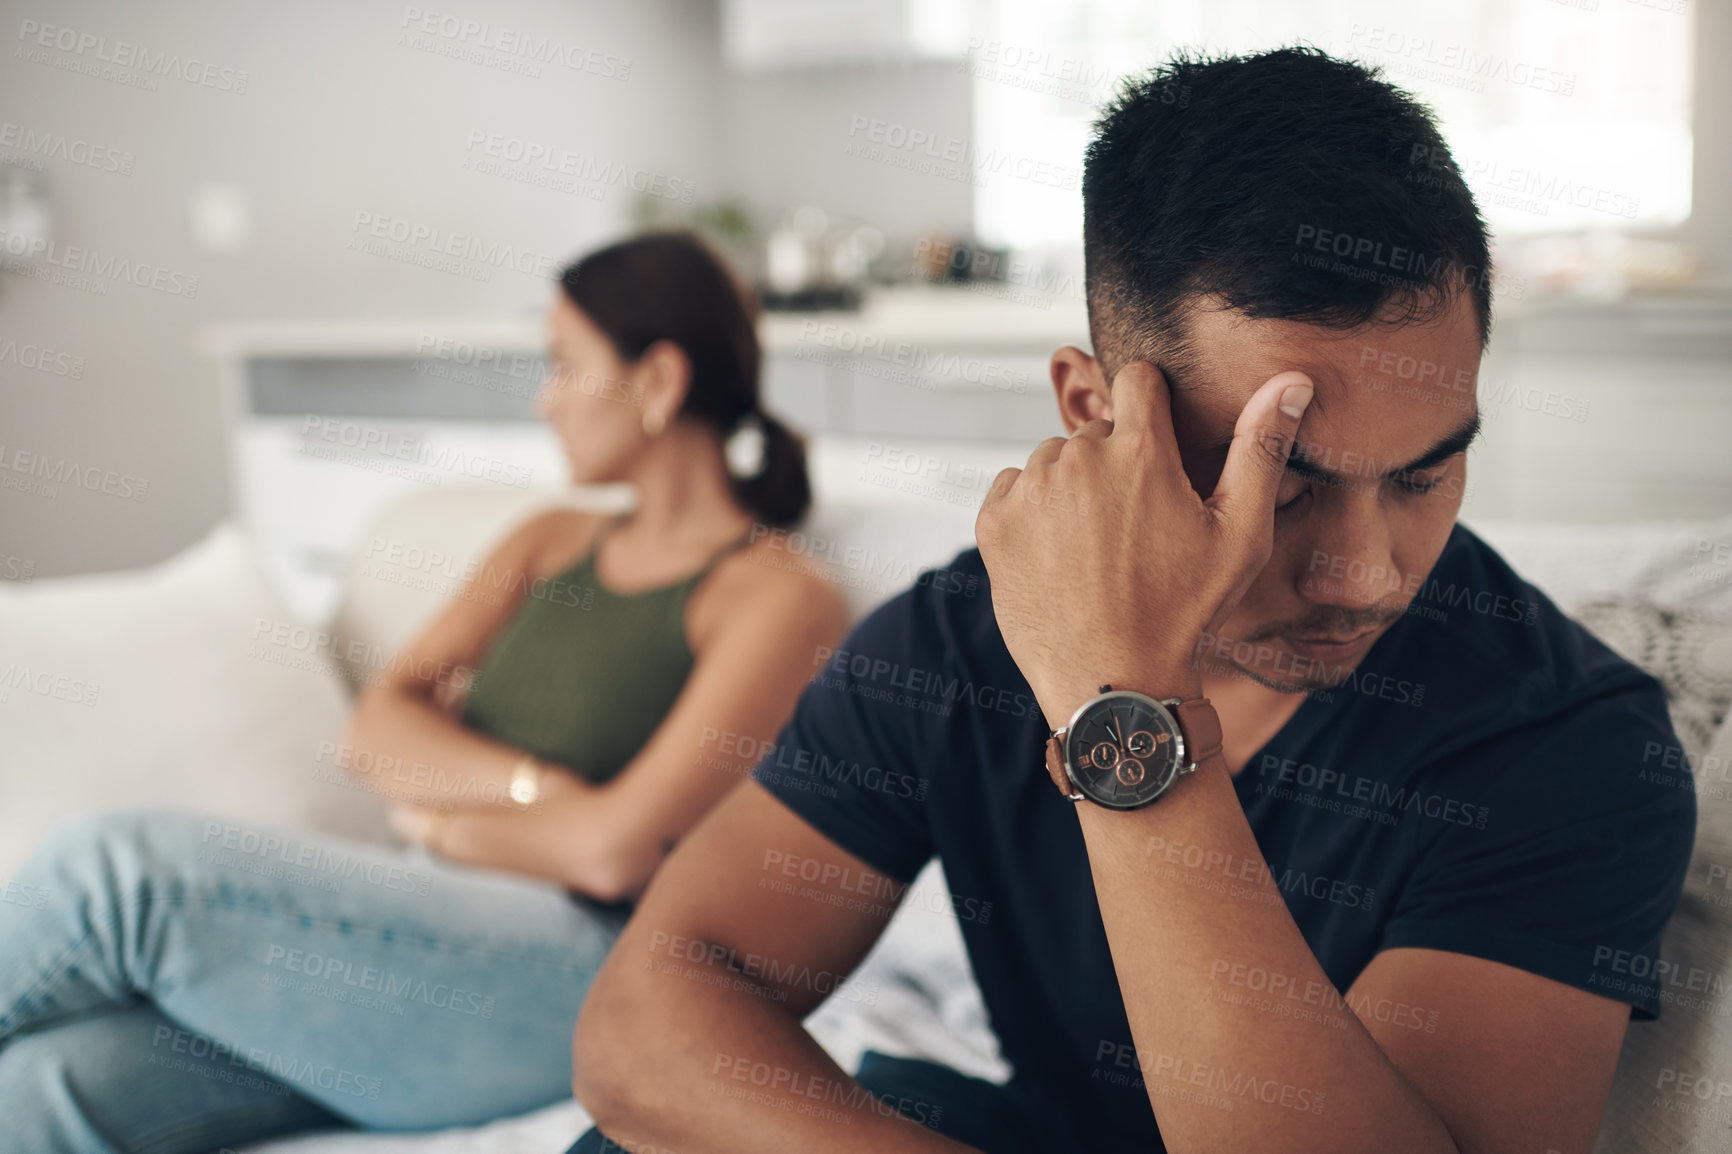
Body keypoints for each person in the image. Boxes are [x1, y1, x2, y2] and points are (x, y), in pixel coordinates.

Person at [566, 48, 1698, 1154]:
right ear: (1096, 413)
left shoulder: (1565, 743)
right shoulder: (962, 634)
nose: (1363, 573)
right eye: (1282, 484)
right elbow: (640, 1027)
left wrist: (1129, 708)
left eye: (1422, 473)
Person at [0, 231, 848, 1153]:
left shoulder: (776, 595)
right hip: (406, 932)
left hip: (582, 972)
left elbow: (614, 856)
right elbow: (376, 732)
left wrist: (441, 820)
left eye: (564, 366)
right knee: (42, 1088)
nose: (545, 399)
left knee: (121, 873)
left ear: (658, 382)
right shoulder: (548, 542)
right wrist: (541, 795)